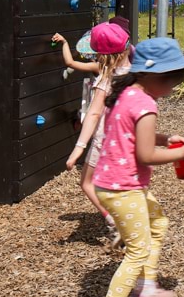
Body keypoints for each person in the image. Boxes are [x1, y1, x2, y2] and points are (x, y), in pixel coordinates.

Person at [88, 37, 184, 297]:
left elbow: (132, 133)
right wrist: (183, 153)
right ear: (154, 76)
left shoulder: (125, 93)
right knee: (137, 251)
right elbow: (145, 155)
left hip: (110, 182)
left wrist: (165, 139)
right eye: (172, 81)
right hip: (123, 188)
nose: (173, 88)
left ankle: (146, 291)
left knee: (158, 222)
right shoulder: (146, 104)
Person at [53, 23, 131, 243]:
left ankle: (115, 222)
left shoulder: (103, 74)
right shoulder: (135, 74)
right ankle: (133, 220)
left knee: (87, 183)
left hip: (104, 140)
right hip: (127, 140)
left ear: (99, 54)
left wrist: (78, 148)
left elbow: (94, 114)